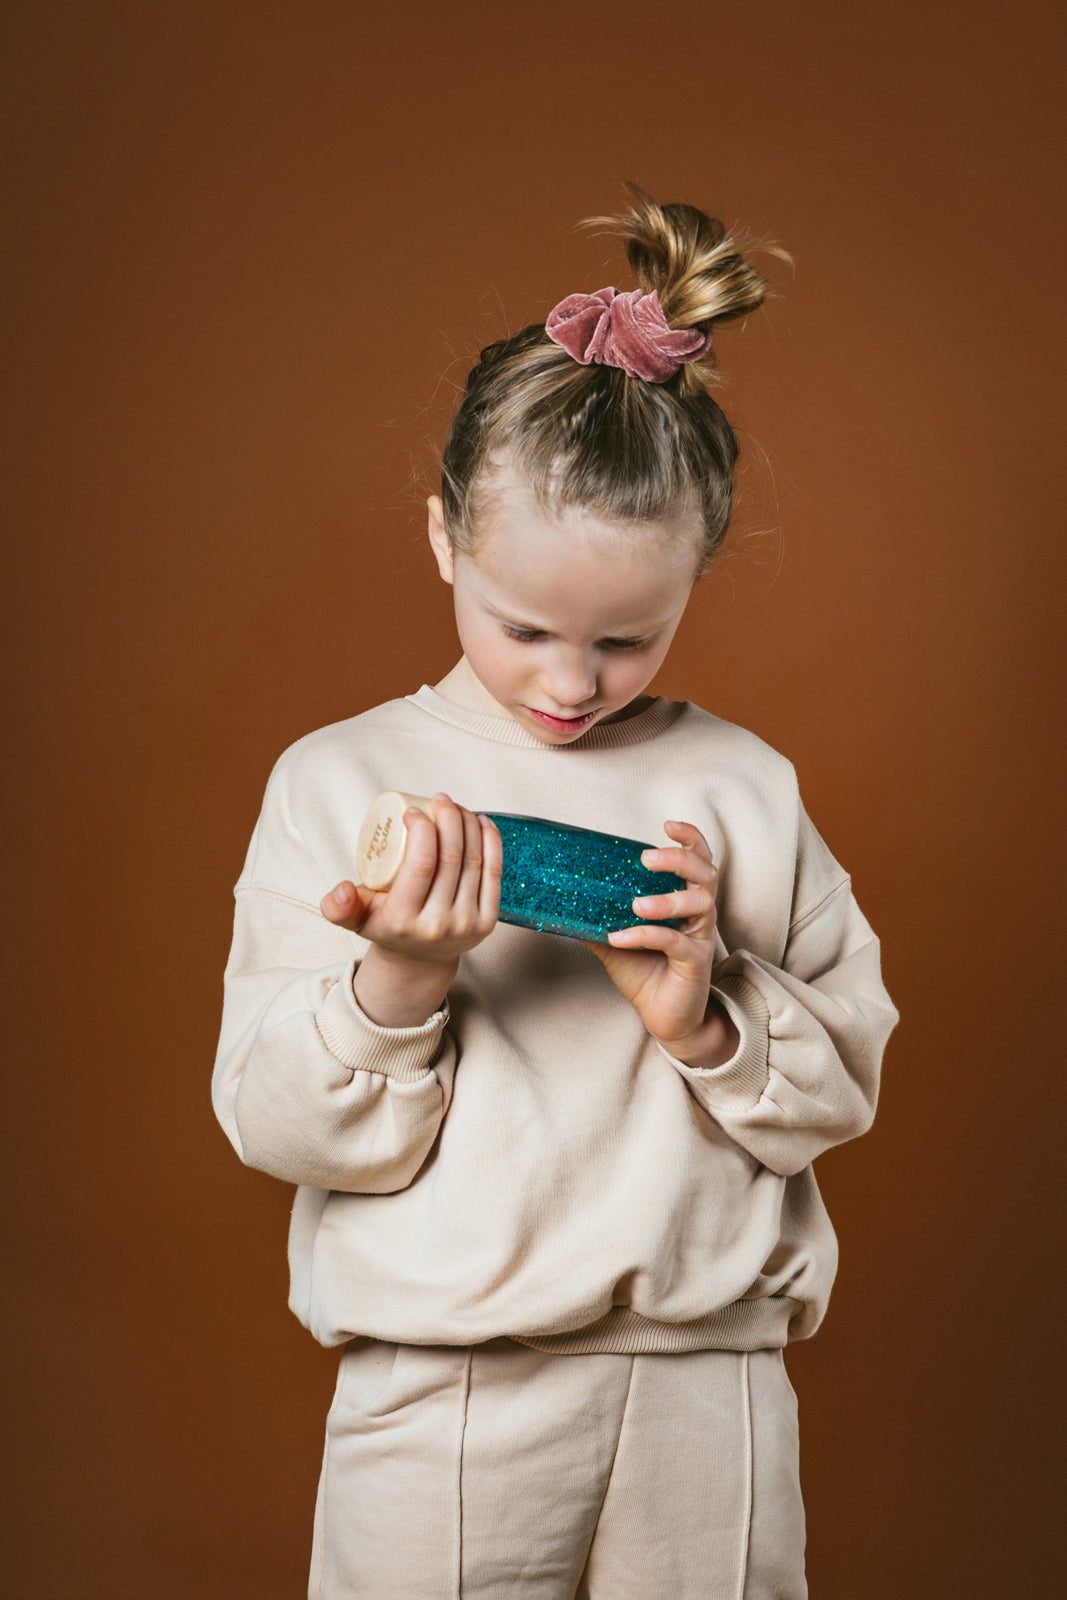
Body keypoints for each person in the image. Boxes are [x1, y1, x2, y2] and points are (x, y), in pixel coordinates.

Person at [213, 185, 898, 1600]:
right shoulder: (340, 782)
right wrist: (394, 985)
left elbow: (842, 1094)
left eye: (627, 640)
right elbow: (275, 1124)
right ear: (444, 539)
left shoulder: (744, 788)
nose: (569, 683)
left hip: (710, 1391)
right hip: (445, 1387)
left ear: (695, 580)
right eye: (524, 628)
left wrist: (711, 1014)